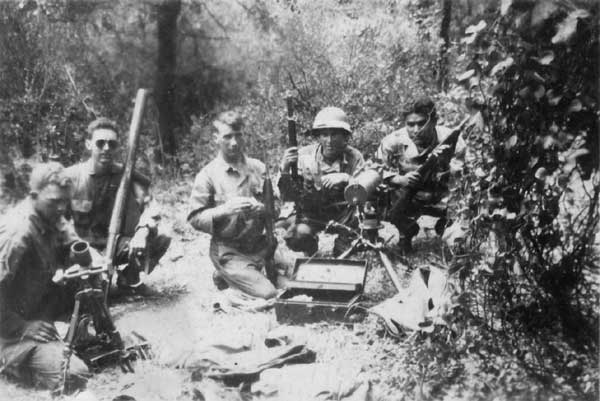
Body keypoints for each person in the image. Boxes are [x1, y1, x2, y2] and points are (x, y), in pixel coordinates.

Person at [0, 162, 90, 391]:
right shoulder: (17, 233)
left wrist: (89, 260)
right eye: (54, 201)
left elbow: (74, 244)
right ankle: (12, 362)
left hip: (38, 309)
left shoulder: (50, 215)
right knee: (73, 374)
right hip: (8, 330)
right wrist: (22, 327)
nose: (61, 208)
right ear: (34, 196)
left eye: (65, 201)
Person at [64, 117, 171, 290]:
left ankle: (129, 278)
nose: (106, 148)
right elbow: (57, 222)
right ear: (88, 144)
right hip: (82, 249)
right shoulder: (71, 178)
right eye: (100, 143)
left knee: (163, 236)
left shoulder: (126, 175)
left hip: (115, 245)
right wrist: (84, 249)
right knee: (90, 292)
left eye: (111, 144)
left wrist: (142, 231)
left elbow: (150, 206)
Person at [187, 111, 282, 299]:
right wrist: (225, 210)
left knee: (292, 281)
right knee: (268, 293)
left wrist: (263, 208)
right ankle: (228, 273)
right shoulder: (208, 175)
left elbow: (276, 207)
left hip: (260, 245)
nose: (234, 142)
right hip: (228, 250)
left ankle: (235, 275)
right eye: (227, 137)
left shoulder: (258, 168)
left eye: (238, 135)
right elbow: (195, 218)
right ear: (216, 138)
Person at [375, 96, 466, 251]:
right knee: (374, 194)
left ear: (434, 121)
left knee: (456, 237)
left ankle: (446, 228)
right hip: (408, 196)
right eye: (410, 124)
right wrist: (399, 179)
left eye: (422, 123)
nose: (416, 130)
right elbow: (377, 170)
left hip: (442, 196)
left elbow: (459, 181)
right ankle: (405, 231)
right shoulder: (392, 142)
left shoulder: (452, 141)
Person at [279, 106, 365, 255]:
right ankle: (310, 247)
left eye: (335, 135)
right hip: (312, 214)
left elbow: (363, 190)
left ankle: (343, 244)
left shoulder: (354, 157)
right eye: (324, 135)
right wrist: (285, 169)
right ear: (318, 137)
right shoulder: (303, 155)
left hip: (342, 214)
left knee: (348, 249)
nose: (329, 141)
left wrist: (346, 178)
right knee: (297, 236)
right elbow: (288, 195)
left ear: (345, 137)